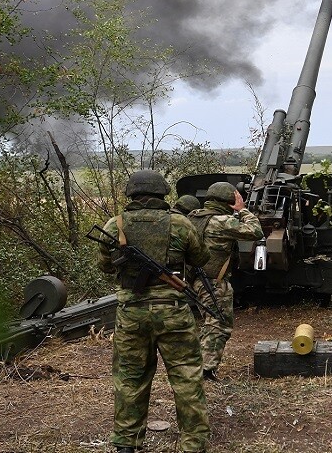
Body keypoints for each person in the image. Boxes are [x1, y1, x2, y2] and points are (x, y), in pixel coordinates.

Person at [97, 170, 211, 453]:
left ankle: (125, 443)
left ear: (131, 194)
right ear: (163, 193)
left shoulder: (115, 226)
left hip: (131, 314)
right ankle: (194, 443)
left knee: (129, 378)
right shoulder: (181, 224)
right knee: (186, 378)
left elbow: (105, 266)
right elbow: (201, 258)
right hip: (174, 314)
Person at [188, 181, 265, 381]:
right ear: (228, 202)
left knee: (209, 322)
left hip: (194, 280)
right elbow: (256, 231)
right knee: (218, 324)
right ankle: (205, 370)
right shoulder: (222, 222)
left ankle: (200, 365)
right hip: (213, 282)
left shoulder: (194, 217)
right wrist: (243, 210)